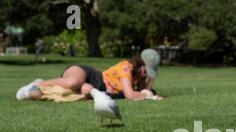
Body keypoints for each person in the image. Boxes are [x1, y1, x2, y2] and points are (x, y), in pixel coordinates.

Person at [16, 48, 162, 101]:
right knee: (73, 83)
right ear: (140, 63)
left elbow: (142, 91)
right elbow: (131, 95)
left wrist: (151, 81)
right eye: (146, 70)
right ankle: (38, 83)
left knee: (76, 93)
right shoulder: (127, 68)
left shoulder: (140, 76)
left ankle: (38, 91)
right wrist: (150, 96)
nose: (146, 74)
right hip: (90, 75)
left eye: (148, 72)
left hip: (95, 88)